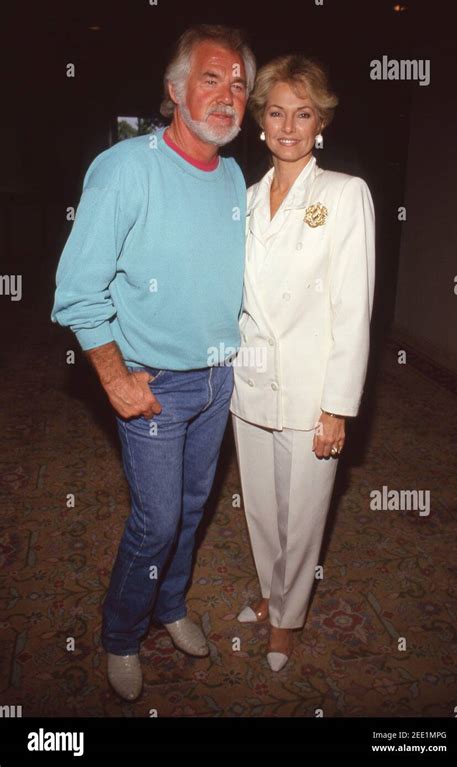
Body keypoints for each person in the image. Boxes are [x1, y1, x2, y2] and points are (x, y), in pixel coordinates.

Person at [51, 24, 256, 700]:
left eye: (239, 83)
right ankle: (120, 632)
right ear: (173, 90)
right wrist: (113, 376)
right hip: (154, 384)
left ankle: (169, 605)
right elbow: (78, 291)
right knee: (158, 519)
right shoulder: (124, 168)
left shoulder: (232, 176)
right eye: (211, 77)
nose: (228, 94)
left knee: (193, 509)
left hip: (217, 378)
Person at [230, 54, 375, 671]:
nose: (288, 126)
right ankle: (271, 594)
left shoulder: (344, 195)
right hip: (249, 379)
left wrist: (337, 407)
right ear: (260, 122)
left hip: (312, 389)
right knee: (260, 503)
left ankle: (289, 618)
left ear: (322, 124)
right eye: (276, 112)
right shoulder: (243, 196)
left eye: (303, 114)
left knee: (304, 511)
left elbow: (353, 309)